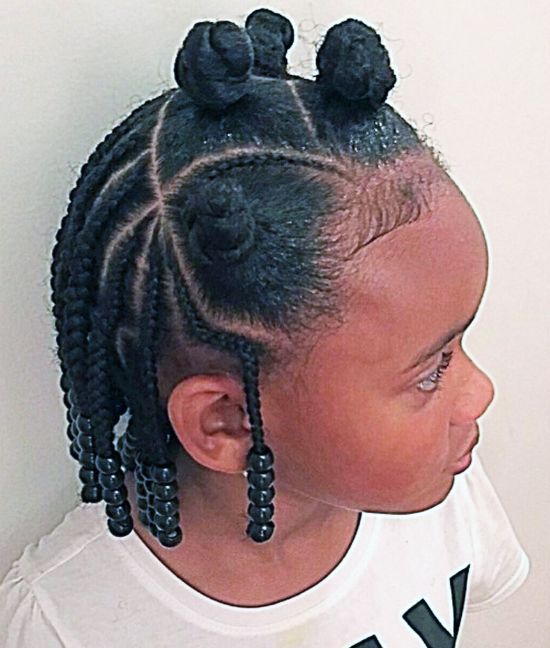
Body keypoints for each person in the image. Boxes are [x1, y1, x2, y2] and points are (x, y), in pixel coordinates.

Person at [0, 8, 530, 647]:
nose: (479, 393)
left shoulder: (443, 484)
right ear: (227, 422)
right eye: (431, 372)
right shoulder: (62, 626)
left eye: (459, 343)